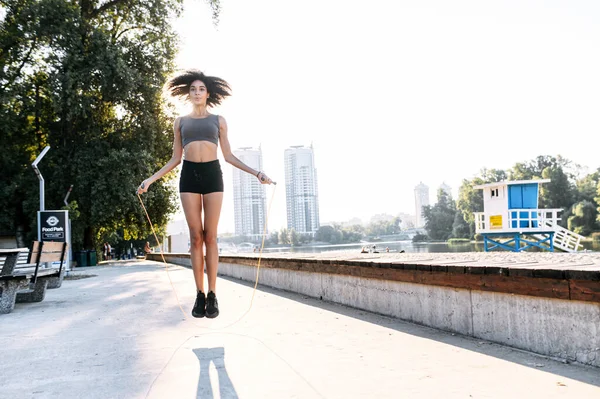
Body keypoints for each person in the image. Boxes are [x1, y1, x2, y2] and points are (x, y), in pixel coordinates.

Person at [137, 70, 273, 319]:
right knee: (195, 238)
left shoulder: (218, 120)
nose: (197, 92)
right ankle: (199, 293)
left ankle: (212, 294)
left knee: (211, 237)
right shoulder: (180, 122)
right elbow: (176, 159)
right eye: (193, 89)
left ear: (208, 93)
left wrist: (257, 173)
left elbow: (229, 155)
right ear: (188, 94)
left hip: (212, 174)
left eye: (201, 89)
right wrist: (150, 180)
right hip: (189, 175)